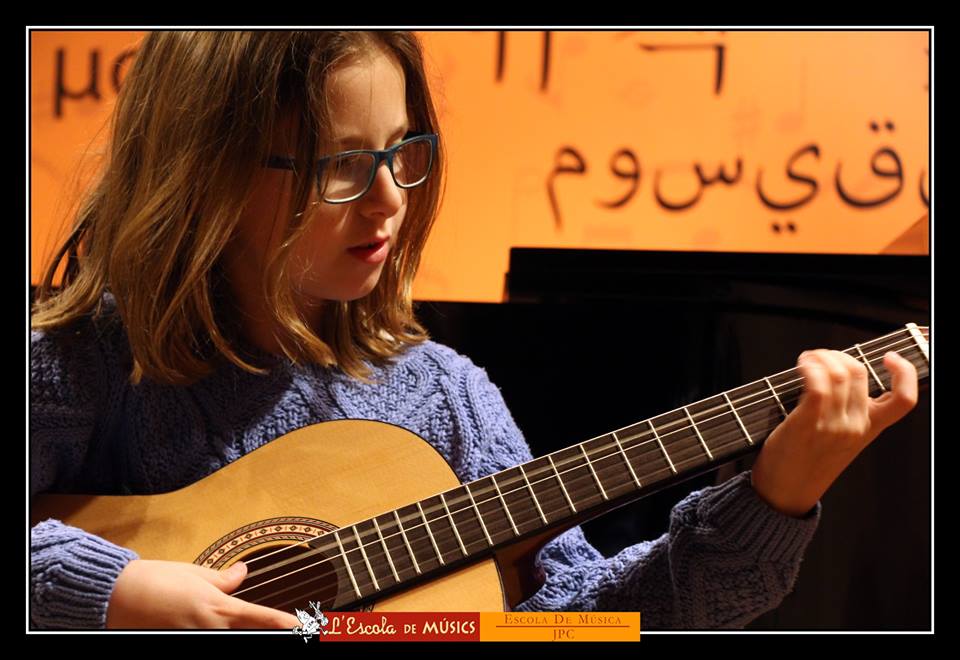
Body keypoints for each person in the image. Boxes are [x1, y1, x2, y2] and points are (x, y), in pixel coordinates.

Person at [29, 30, 920, 631]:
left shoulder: (444, 398)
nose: (388, 198)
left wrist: (773, 499)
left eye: (402, 151)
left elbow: (577, 627)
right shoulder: (85, 365)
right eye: (341, 166)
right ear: (204, 171)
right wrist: (114, 588)